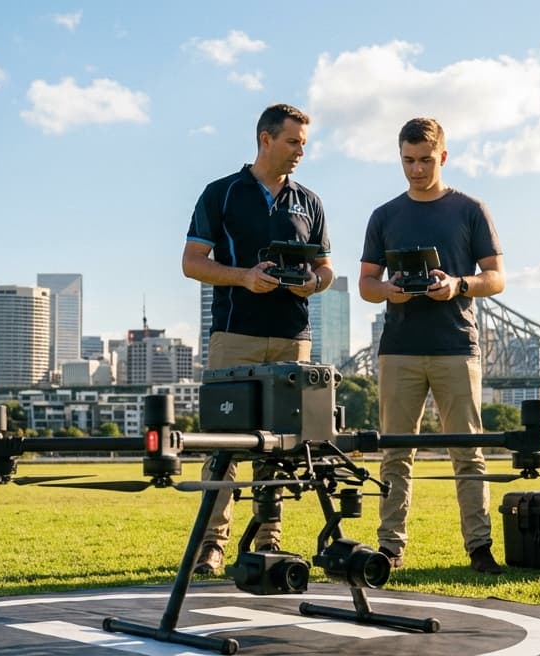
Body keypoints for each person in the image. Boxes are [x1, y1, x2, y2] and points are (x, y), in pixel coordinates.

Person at [182, 103, 334, 576]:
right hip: (235, 337)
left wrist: (315, 282)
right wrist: (244, 277)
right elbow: (192, 262)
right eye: (293, 142)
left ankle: (269, 539)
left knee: (283, 450)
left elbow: (327, 269)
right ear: (265, 139)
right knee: (223, 448)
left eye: (304, 145)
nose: (300, 152)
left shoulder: (310, 201)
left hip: (293, 340)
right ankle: (212, 545)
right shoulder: (220, 194)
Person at [357, 117, 506, 575]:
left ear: (442, 156)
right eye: (408, 161)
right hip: (398, 348)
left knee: (469, 452)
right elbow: (366, 284)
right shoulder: (384, 215)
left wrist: (457, 285)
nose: (416, 170)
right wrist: (390, 291)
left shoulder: (470, 209)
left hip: (457, 346)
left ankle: (479, 548)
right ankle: (390, 547)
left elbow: (496, 278)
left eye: (425, 160)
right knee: (396, 453)